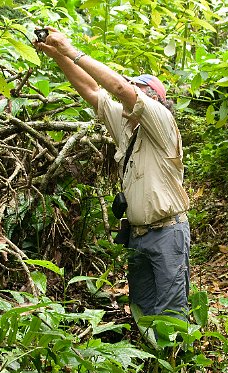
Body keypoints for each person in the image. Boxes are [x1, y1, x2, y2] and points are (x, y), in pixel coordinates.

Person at [34, 28, 191, 321]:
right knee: (142, 308)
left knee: (171, 313)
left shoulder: (161, 122)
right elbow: (93, 90)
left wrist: (71, 49)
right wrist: (57, 55)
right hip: (138, 236)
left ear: (152, 99)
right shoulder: (127, 128)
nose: (128, 91)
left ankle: (175, 362)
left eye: (137, 88)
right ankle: (150, 362)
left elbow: (118, 89)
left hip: (168, 232)